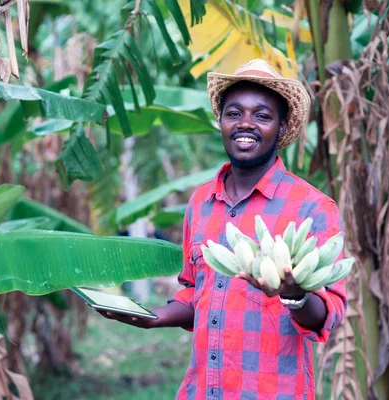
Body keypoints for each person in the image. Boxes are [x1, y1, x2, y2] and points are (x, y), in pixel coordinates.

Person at [99, 59, 347, 400]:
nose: (246, 124)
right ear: (221, 121)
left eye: (262, 115)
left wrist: (295, 294)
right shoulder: (201, 201)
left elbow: (328, 315)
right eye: (234, 113)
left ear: (282, 125)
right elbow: (195, 292)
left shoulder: (312, 208)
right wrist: (152, 316)